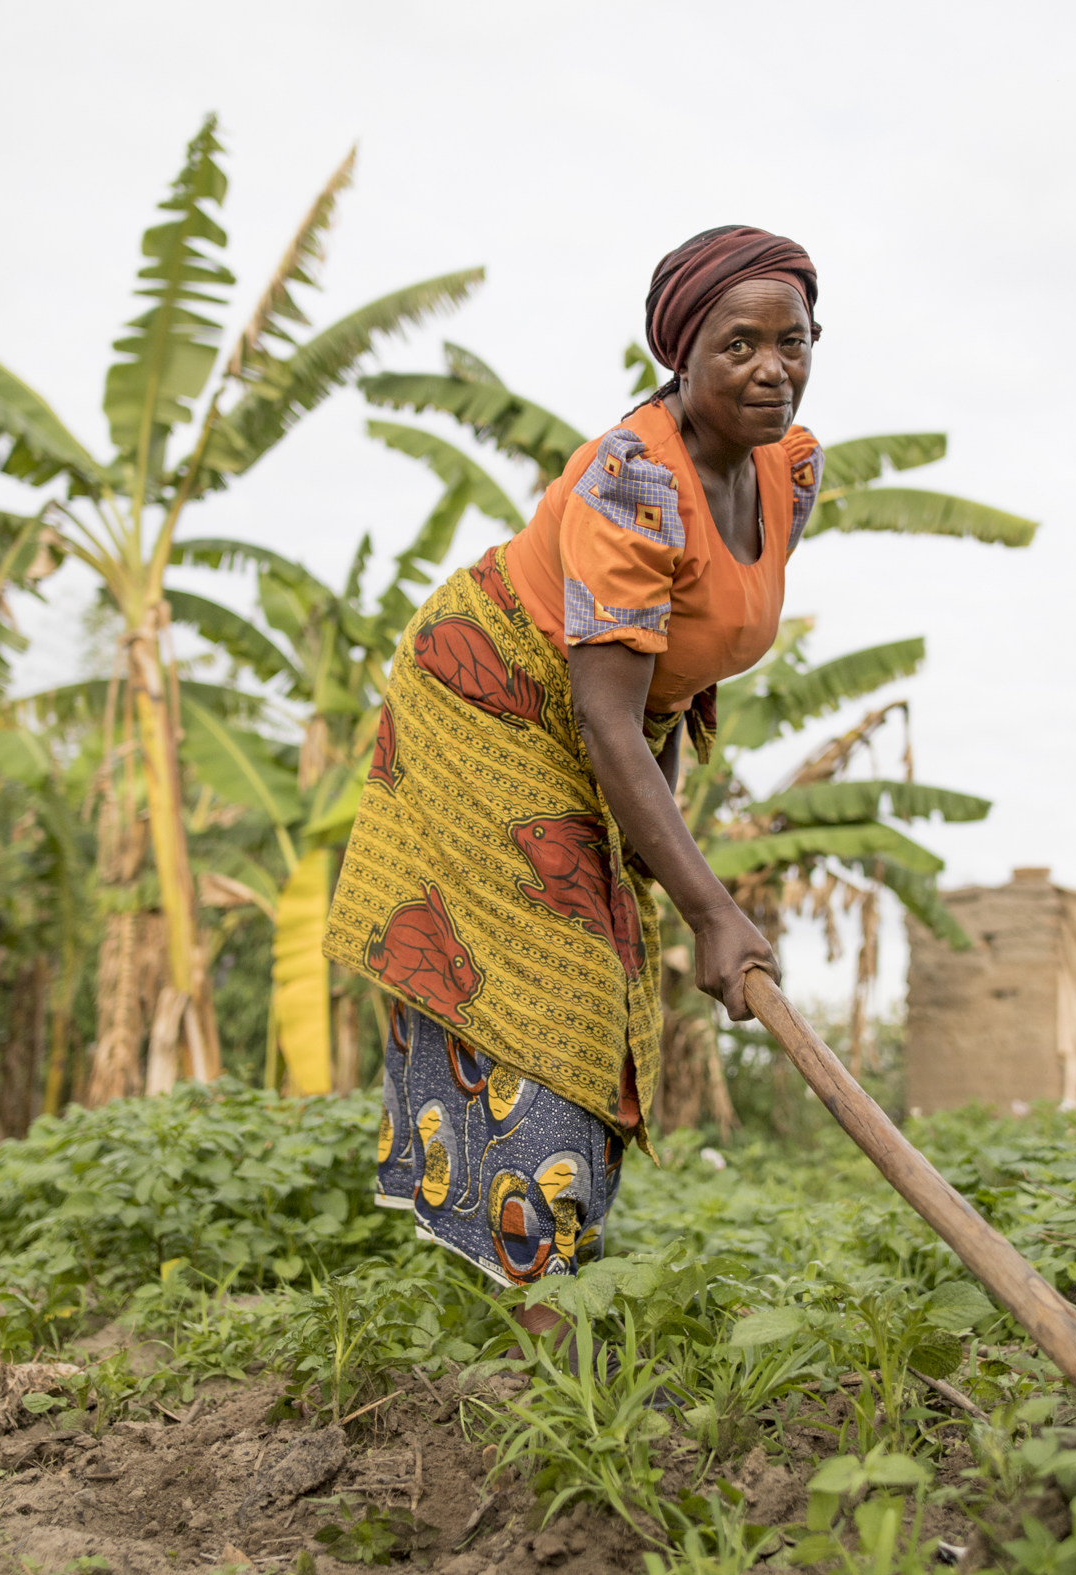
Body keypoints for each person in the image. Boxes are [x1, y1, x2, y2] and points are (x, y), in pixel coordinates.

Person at [323, 226, 823, 1340]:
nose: (769, 368)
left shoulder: (793, 470)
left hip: (607, 717)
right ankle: (538, 1312)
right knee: (558, 984)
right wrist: (713, 908)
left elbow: (673, 656)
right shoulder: (633, 478)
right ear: (681, 355)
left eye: (791, 342)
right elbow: (603, 709)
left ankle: (559, 1266)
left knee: (602, 985)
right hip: (488, 689)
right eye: (737, 345)